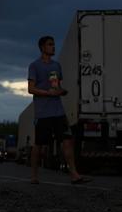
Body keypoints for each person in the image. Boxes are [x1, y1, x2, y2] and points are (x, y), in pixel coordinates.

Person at [27, 36, 90, 185]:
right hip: (43, 113)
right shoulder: (34, 66)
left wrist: (62, 91)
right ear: (42, 47)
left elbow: (56, 86)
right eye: (50, 45)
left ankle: (74, 174)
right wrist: (48, 93)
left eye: (54, 44)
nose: (53, 47)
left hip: (58, 112)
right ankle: (34, 175)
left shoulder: (56, 66)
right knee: (39, 145)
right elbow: (31, 89)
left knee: (68, 141)